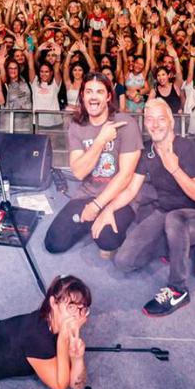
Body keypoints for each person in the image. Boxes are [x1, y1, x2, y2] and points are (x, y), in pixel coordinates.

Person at [113, 99, 195, 316]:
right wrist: (105, 211)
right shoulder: (148, 150)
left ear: (171, 122)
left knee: (174, 221)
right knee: (124, 261)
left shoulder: (189, 148)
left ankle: (178, 289)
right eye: (150, 119)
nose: (155, 124)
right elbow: (131, 190)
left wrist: (174, 169)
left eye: (161, 119)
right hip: (165, 211)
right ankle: (177, 246)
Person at [44, 73, 142, 255]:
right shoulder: (76, 125)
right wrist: (100, 141)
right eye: (89, 91)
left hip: (119, 198)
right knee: (54, 243)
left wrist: (97, 206)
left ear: (108, 97)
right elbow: (79, 172)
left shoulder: (126, 123)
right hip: (87, 194)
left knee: (106, 240)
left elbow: (126, 175)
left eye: (99, 92)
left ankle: (105, 223)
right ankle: (92, 222)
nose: (93, 97)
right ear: (82, 96)